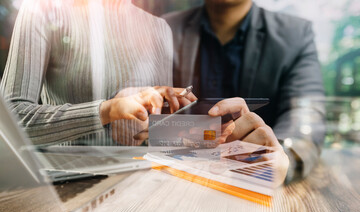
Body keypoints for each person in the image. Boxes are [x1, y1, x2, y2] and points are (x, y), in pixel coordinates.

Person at [163, 0, 326, 183]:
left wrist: (279, 157)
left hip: (254, 187)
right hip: (171, 180)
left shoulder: (295, 34)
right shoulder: (162, 29)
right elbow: (140, 113)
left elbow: (306, 118)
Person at [0, 0, 196, 146]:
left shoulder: (159, 29)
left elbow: (156, 136)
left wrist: (205, 136)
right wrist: (107, 110)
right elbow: (9, 120)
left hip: (141, 184)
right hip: (71, 185)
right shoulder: (43, 10)